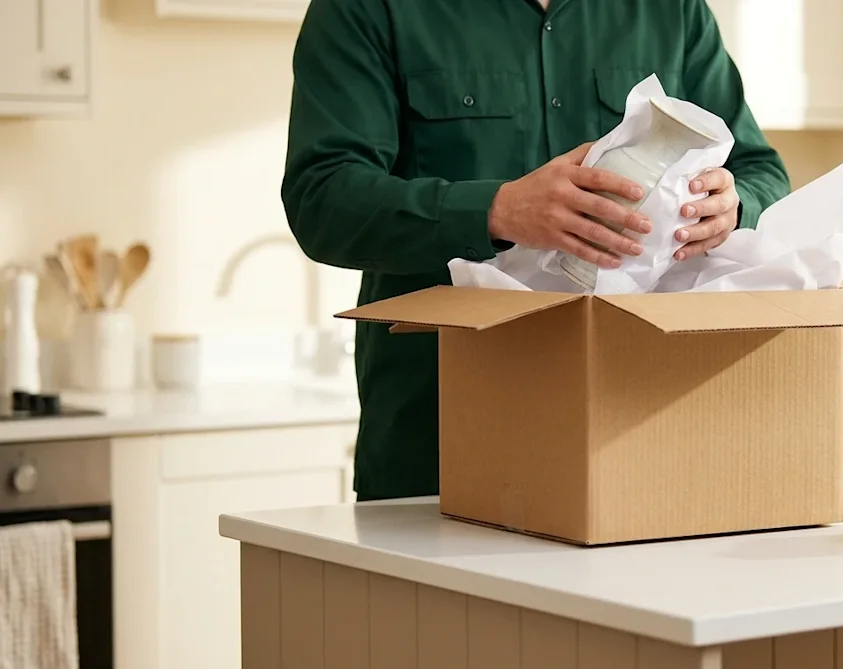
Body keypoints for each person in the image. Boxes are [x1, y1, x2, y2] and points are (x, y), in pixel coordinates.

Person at [281, 0, 792, 502]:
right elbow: (320, 199)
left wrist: (732, 206)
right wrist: (498, 210)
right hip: (436, 441)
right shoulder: (368, 7)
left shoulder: (673, 10)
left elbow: (761, 173)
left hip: (641, 433)